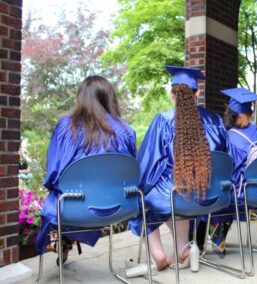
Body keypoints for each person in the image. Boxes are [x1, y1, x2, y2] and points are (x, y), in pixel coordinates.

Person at [128, 66, 230, 273]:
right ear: (197, 93)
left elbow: (148, 165)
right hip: (211, 195)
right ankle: (184, 249)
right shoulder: (216, 121)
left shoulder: (163, 121)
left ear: (172, 94)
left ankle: (158, 253)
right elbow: (227, 159)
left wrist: (137, 187)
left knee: (143, 198)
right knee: (182, 189)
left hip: (177, 195)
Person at [35, 75, 137, 265]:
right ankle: (65, 239)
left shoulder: (67, 126)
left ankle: (60, 239)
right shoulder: (127, 130)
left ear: (80, 98)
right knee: (88, 193)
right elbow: (131, 172)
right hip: (119, 206)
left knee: (62, 195)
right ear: (110, 99)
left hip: (75, 207)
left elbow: (54, 173)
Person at [208, 87, 257, 252]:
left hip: (240, 194)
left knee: (216, 188)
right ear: (250, 113)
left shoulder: (229, 137)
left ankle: (216, 238)